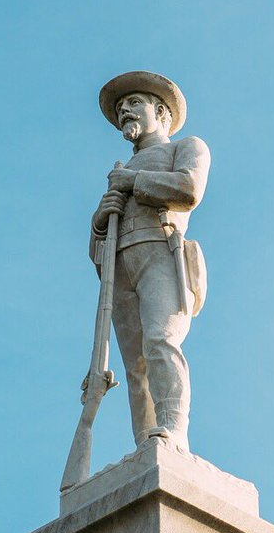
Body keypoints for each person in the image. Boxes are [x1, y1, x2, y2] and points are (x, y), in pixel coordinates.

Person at [90, 71, 210, 452]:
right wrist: (98, 222)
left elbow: (188, 190)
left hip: (162, 250)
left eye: (134, 103)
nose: (125, 110)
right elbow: (98, 253)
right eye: (121, 107)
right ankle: (147, 444)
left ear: (160, 111)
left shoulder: (186, 148)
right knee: (135, 366)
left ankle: (174, 429)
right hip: (121, 267)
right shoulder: (120, 173)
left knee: (161, 340)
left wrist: (133, 183)